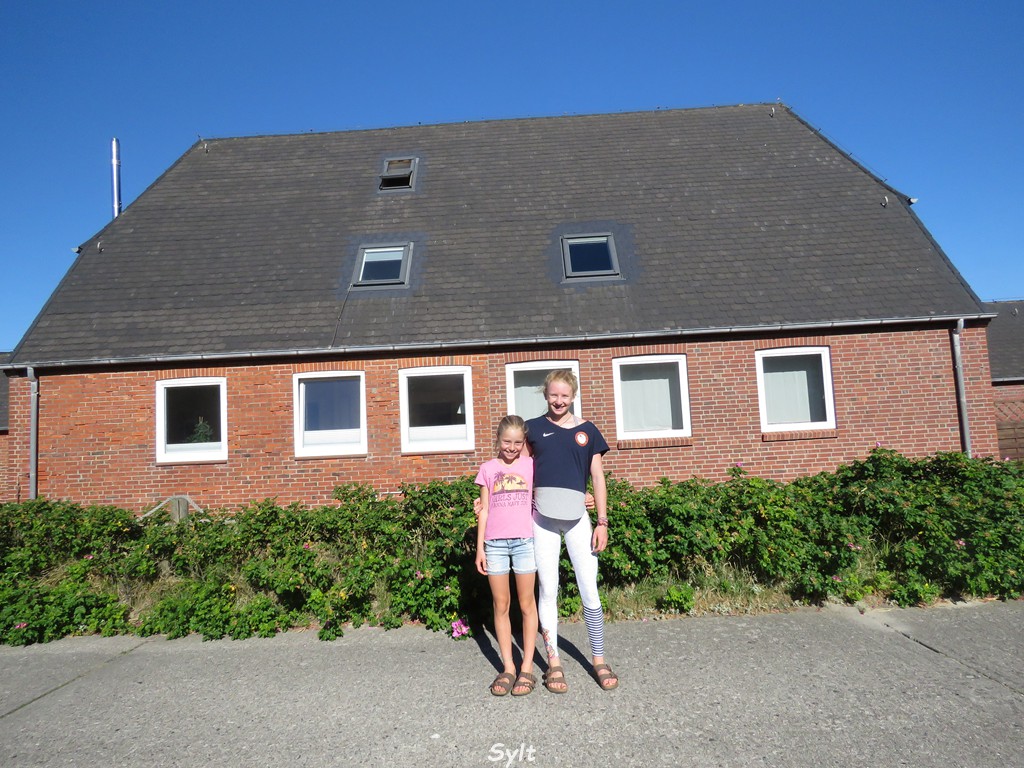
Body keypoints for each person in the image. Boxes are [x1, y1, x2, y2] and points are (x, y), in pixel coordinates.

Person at [525, 369, 619, 693]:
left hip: (578, 519)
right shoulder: (532, 429)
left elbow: (598, 477)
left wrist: (603, 521)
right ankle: (554, 663)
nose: (559, 401)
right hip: (542, 520)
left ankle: (599, 659)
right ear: (545, 394)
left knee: (589, 589)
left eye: (564, 395)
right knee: (548, 590)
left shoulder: (587, 431)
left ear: (573, 396)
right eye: (553, 395)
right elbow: (519, 471)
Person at [475, 415, 539, 696]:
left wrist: (583, 495)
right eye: (506, 442)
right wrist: (480, 547)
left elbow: (550, 488)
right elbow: (484, 510)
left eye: (517, 442)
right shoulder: (487, 469)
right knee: (500, 605)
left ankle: (527, 666)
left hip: (525, 542)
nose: (511, 448)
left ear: (524, 442)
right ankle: (508, 667)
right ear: (498, 440)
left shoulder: (531, 465)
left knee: (527, 604)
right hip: (495, 545)